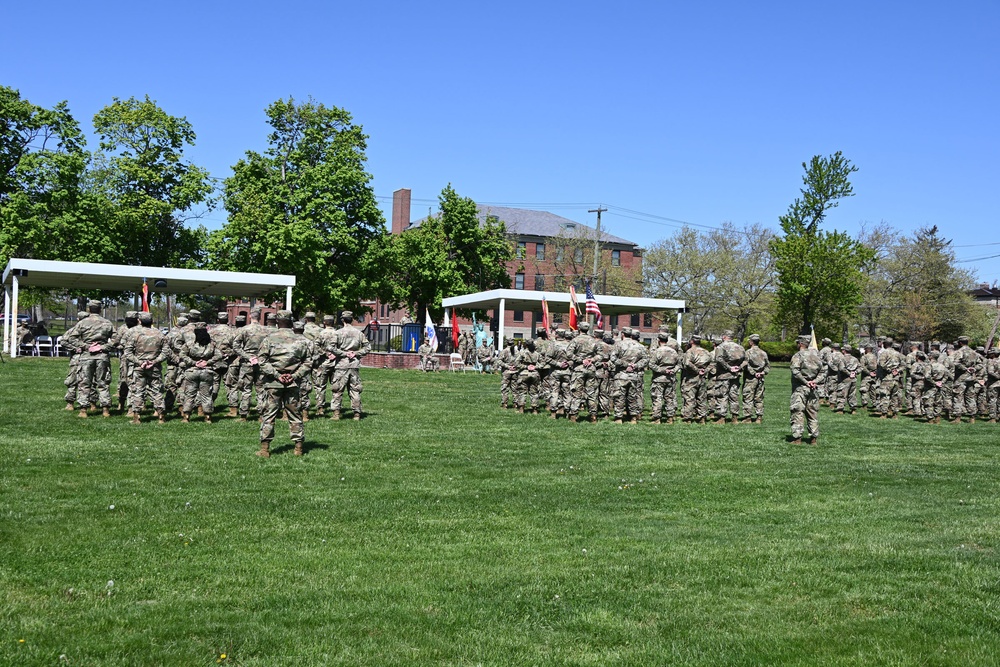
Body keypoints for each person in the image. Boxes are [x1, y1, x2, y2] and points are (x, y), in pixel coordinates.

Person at [256, 310, 312, 457]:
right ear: (291, 321)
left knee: (269, 415)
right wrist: (294, 376)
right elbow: (308, 362)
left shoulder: (269, 339)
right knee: (295, 415)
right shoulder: (301, 340)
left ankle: (264, 450)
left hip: (273, 384)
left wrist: (276, 375)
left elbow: (261, 360)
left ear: (277, 322)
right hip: (293, 384)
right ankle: (298, 448)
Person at [63, 300, 115, 418]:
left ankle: (83, 410)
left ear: (89, 309)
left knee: (84, 383)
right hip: (102, 357)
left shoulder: (82, 323)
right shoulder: (107, 323)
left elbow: (72, 338)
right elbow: (116, 339)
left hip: (86, 356)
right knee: (103, 383)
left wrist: (86, 346)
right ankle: (105, 410)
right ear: (100, 309)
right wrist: (103, 347)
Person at [326, 310, 371, 420]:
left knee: (337, 389)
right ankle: (357, 414)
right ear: (352, 319)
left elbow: (330, 347)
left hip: (341, 364)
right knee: (355, 389)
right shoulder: (359, 333)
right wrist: (355, 353)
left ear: (342, 320)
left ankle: (336, 414)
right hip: (354, 364)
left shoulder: (338, 333)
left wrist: (343, 353)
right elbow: (368, 347)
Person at [124, 312, 168, 424]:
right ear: (152, 321)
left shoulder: (135, 334)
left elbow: (128, 352)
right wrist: (154, 361)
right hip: (155, 367)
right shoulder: (160, 334)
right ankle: (161, 416)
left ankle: (137, 417)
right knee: (157, 391)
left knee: (138, 391)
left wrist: (139, 362)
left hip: (139, 368)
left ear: (139, 321)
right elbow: (166, 352)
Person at [233, 306, 269, 422]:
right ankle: (262, 415)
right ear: (260, 316)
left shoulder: (244, 330)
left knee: (246, 389)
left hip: (247, 363)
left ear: (250, 316)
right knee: (261, 389)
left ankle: (244, 415)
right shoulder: (266, 331)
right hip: (262, 362)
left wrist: (248, 357)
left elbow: (236, 346)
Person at [179, 322, 221, 422]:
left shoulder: (190, 344)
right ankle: (208, 417)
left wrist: (194, 362)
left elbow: (182, 354)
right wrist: (207, 362)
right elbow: (219, 355)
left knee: (189, 394)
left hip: (192, 371)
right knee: (206, 395)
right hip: (207, 372)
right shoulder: (211, 344)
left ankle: (186, 416)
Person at [789, 334, 826, 445]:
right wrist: (815, 382)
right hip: (813, 389)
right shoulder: (817, 356)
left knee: (797, 412)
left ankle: (797, 439)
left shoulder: (798, 356)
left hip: (800, 389)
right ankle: (813, 439)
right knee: (812, 413)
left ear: (800, 344)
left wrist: (806, 382)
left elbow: (795, 371)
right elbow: (823, 372)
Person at [567, 321, 601, 422]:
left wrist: (581, 360)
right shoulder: (593, 340)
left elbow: (569, 354)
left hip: (579, 369)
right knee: (591, 393)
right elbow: (600, 355)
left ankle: (573, 416)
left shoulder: (575, 340)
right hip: (591, 369)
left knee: (576, 393)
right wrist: (592, 360)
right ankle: (593, 416)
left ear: (579, 329)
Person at [713, 330, 746, 424]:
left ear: (724, 337)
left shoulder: (721, 346)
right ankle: (734, 418)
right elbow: (745, 360)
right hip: (735, 376)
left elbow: (719, 359)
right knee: (734, 396)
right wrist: (739, 367)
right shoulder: (740, 347)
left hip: (723, 375)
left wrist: (729, 367)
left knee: (722, 396)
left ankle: (721, 418)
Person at [648, 331, 680, 424]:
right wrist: (673, 370)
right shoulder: (673, 352)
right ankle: (670, 418)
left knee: (657, 398)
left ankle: (657, 419)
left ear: (658, 340)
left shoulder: (657, 351)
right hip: (670, 378)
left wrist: (662, 370)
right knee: (669, 398)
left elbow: (651, 364)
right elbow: (679, 364)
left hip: (659, 379)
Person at [62, 311, 89, 410]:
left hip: (88, 358)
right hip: (77, 358)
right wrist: (74, 348)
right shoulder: (73, 330)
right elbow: (63, 341)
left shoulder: (90, 331)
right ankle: (70, 402)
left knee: (88, 380)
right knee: (73, 380)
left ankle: (89, 402)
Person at [741, 334, 770, 423]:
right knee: (759, 398)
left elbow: (746, 365)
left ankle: (748, 417)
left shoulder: (748, 352)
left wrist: (754, 373)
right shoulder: (763, 353)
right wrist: (762, 373)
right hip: (760, 379)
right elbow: (768, 366)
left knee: (748, 397)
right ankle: (759, 417)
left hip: (750, 379)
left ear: (751, 342)